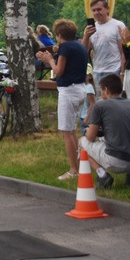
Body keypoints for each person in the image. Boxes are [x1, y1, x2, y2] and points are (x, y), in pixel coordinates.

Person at [37, 19, 88, 181]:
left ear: (58, 35)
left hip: (68, 90)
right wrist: (54, 53)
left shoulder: (66, 48)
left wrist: (50, 60)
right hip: (80, 88)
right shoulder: (79, 45)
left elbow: (59, 70)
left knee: (67, 131)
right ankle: (79, 166)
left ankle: (74, 170)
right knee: (72, 130)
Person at [82, 73, 130, 189]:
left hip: (117, 161)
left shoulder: (100, 106)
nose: (100, 93)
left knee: (81, 142)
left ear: (106, 89)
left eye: (100, 90)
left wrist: (87, 131)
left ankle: (103, 176)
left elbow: (90, 137)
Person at [82, 0, 125, 91]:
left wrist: (122, 73)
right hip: (97, 71)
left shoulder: (117, 25)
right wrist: (86, 36)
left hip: (114, 70)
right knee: (100, 101)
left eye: (99, 9)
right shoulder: (91, 28)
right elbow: (84, 51)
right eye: (93, 10)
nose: (96, 13)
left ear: (107, 9)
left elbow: (123, 52)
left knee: (114, 101)